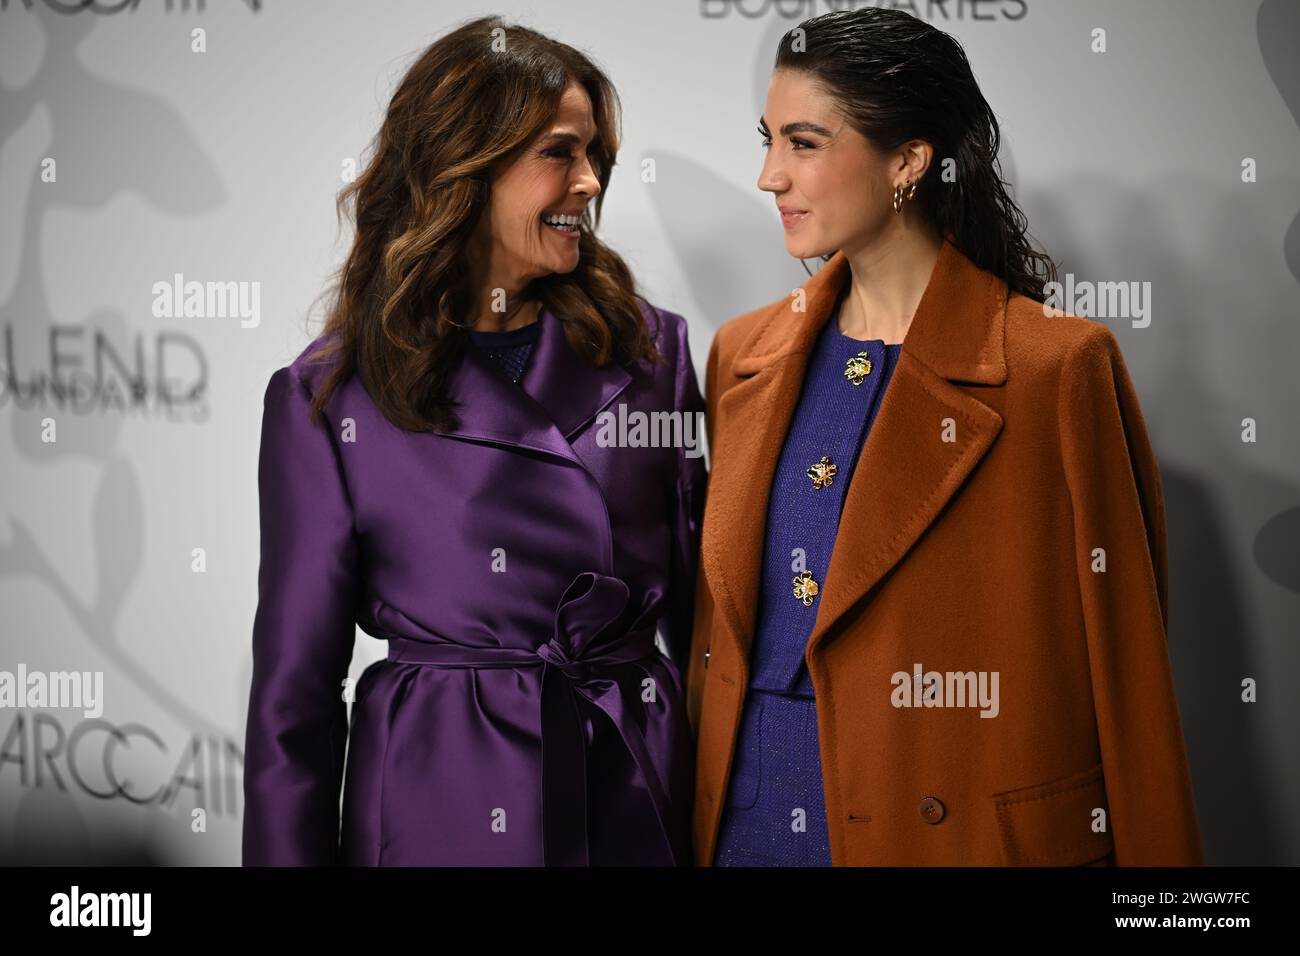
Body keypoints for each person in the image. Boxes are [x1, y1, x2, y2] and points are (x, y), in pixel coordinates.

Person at [686, 7, 1203, 866]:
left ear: (909, 161)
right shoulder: (741, 356)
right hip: (750, 827)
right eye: (768, 139)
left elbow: (1131, 676)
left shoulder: (1057, 367)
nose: (769, 175)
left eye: (804, 143)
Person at [242, 15, 706, 866]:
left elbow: (711, 634)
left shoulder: (654, 352)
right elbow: (293, 707)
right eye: (561, 154)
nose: (592, 182)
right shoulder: (327, 397)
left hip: (631, 793)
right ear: (466, 167)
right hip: (439, 802)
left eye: (595, 154)